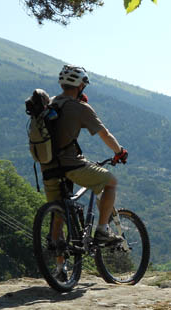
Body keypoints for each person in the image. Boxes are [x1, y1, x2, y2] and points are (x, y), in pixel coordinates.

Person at [41, 64, 128, 244]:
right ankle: (103, 230)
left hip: (47, 166)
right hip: (71, 165)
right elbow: (105, 134)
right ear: (81, 85)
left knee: (59, 213)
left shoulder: (49, 103)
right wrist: (119, 152)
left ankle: (59, 269)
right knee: (111, 182)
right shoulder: (80, 107)